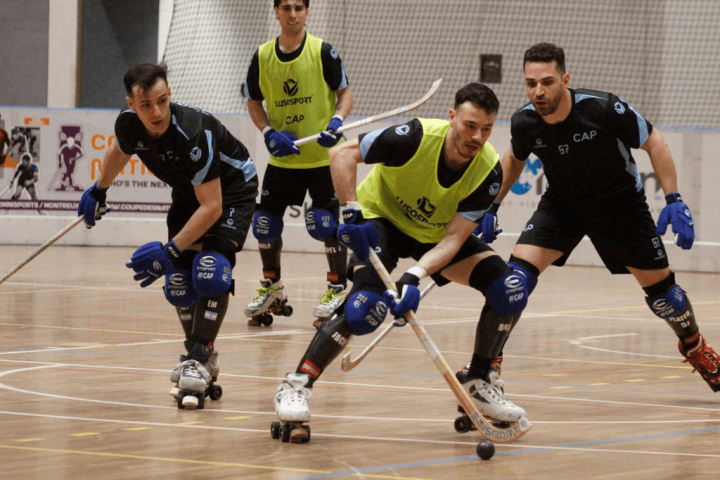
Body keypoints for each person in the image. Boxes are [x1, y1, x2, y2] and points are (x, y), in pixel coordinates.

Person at [272, 83, 532, 441]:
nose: (477, 137)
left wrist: (414, 274)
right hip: (382, 221)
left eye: (486, 129)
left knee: (510, 289)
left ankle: (478, 380)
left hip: (435, 236)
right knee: (364, 307)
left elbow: (454, 239)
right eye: (470, 125)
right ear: (452, 117)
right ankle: (296, 384)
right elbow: (343, 155)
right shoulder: (414, 137)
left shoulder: (488, 171)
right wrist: (351, 212)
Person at [484, 42, 720, 392]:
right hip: (562, 207)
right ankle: (486, 366)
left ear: (565, 79)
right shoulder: (525, 121)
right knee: (513, 283)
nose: (538, 91)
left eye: (547, 82)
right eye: (530, 83)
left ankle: (695, 346)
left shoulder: (604, 108)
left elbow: (654, 141)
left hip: (620, 207)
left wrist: (674, 198)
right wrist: (492, 205)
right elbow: (514, 159)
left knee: (665, 298)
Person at [78, 62, 259, 408]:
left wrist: (171, 250)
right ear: (131, 105)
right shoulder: (129, 124)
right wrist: (99, 189)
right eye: (146, 105)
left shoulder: (193, 133)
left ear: (170, 94)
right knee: (178, 284)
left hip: (232, 191)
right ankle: (198, 358)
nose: (157, 112)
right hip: (189, 193)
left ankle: (198, 357)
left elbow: (212, 208)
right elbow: (120, 149)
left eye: (162, 101)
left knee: (210, 271)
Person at [243, 0, 354, 328]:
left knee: (326, 224)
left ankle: (337, 290)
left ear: (307, 12)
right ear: (276, 11)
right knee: (264, 223)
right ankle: (272, 288)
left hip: (323, 159)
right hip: (284, 159)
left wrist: (337, 121)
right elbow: (253, 102)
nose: (293, 14)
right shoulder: (262, 56)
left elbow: (345, 94)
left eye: (298, 8)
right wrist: (268, 132)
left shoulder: (323, 51)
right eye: (286, 7)